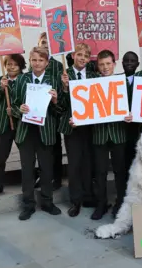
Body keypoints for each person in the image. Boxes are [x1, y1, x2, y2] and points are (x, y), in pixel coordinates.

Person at [10, 47, 62, 220]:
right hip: (26, 132)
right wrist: (20, 109)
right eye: (34, 60)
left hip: (46, 132)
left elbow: (60, 110)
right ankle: (28, 204)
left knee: (47, 170)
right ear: (30, 61)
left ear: (47, 62)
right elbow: (13, 106)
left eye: (41, 60)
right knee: (27, 170)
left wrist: (55, 101)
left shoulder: (53, 80)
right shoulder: (22, 79)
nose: (37, 63)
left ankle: (47, 202)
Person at [90, 50, 133, 220]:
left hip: (118, 134)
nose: (105, 67)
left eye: (108, 64)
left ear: (114, 64)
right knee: (99, 171)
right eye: (101, 64)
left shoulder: (123, 82)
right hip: (99, 134)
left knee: (120, 171)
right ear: (97, 66)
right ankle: (101, 204)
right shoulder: (91, 83)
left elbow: (131, 103)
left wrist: (131, 115)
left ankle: (120, 204)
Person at [59, 43, 98, 217]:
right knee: (74, 164)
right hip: (72, 126)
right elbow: (59, 104)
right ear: (73, 55)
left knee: (88, 162)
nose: (82, 58)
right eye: (79, 54)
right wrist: (65, 88)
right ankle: (75, 200)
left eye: (86, 56)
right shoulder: (65, 74)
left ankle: (88, 195)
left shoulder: (93, 74)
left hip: (90, 126)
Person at [0, 54, 25, 199]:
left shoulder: (25, 80)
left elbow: (25, 101)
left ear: (21, 66)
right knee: (0, 157)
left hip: (21, 124)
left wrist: (14, 110)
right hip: (3, 124)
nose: (11, 67)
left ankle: (29, 181)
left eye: (15, 64)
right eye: (8, 64)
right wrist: (1, 89)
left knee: (26, 155)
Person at [38, 32, 64, 190]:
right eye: (43, 42)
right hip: (37, 112)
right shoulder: (34, 63)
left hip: (52, 112)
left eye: (49, 43)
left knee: (55, 146)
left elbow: (59, 89)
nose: (46, 45)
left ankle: (57, 177)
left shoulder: (58, 65)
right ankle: (43, 176)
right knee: (41, 147)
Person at [122, 51, 141, 174]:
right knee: (123, 161)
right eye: (126, 61)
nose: (129, 63)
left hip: (139, 127)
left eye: (132, 61)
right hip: (121, 127)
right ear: (122, 63)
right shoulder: (115, 80)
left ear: (138, 64)